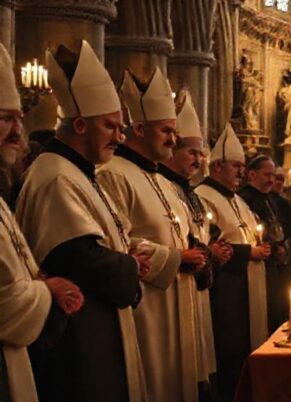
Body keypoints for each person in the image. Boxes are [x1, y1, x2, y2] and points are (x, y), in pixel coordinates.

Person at [16, 40, 146, 402]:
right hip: (80, 330)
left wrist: (125, 252)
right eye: (111, 126)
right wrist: (130, 265)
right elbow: (77, 255)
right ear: (79, 125)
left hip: (97, 318)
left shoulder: (79, 171)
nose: (120, 137)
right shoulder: (57, 175)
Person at [98, 67, 203, 402]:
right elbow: (116, 240)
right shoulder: (112, 174)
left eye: (174, 132)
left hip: (180, 298)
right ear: (139, 129)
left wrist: (194, 252)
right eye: (167, 131)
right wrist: (175, 257)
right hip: (149, 306)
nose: (173, 140)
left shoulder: (162, 180)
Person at [0, 43, 84, 402]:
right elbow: (6, 305)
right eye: (6, 118)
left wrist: (38, 280)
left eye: (20, 117)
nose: (20, 131)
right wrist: (47, 290)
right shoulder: (54, 174)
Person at [159, 90, 230, 401]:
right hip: (166, 297)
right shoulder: (162, 184)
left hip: (196, 289)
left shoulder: (187, 190)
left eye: (202, 154)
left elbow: (202, 228)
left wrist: (214, 246)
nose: (199, 160)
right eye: (192, 153)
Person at [195, 124, 271, 402]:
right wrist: (248, 253)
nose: (241, 172)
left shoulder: (236, 198)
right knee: (230, 348)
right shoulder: (203, 196)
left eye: (242, 166)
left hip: (248, 281)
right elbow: (210, 243)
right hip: (226, 286)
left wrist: (260, 247)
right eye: (235, 166)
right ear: (216, 167)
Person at [239, 155, 291, 334]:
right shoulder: (245, 199)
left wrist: (285, 246)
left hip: (277, 267)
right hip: (260, 264)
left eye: (273, 175)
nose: (271, 180)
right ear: (251, 174)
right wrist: (274, 249)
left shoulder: (271, 198)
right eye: (267, 175)